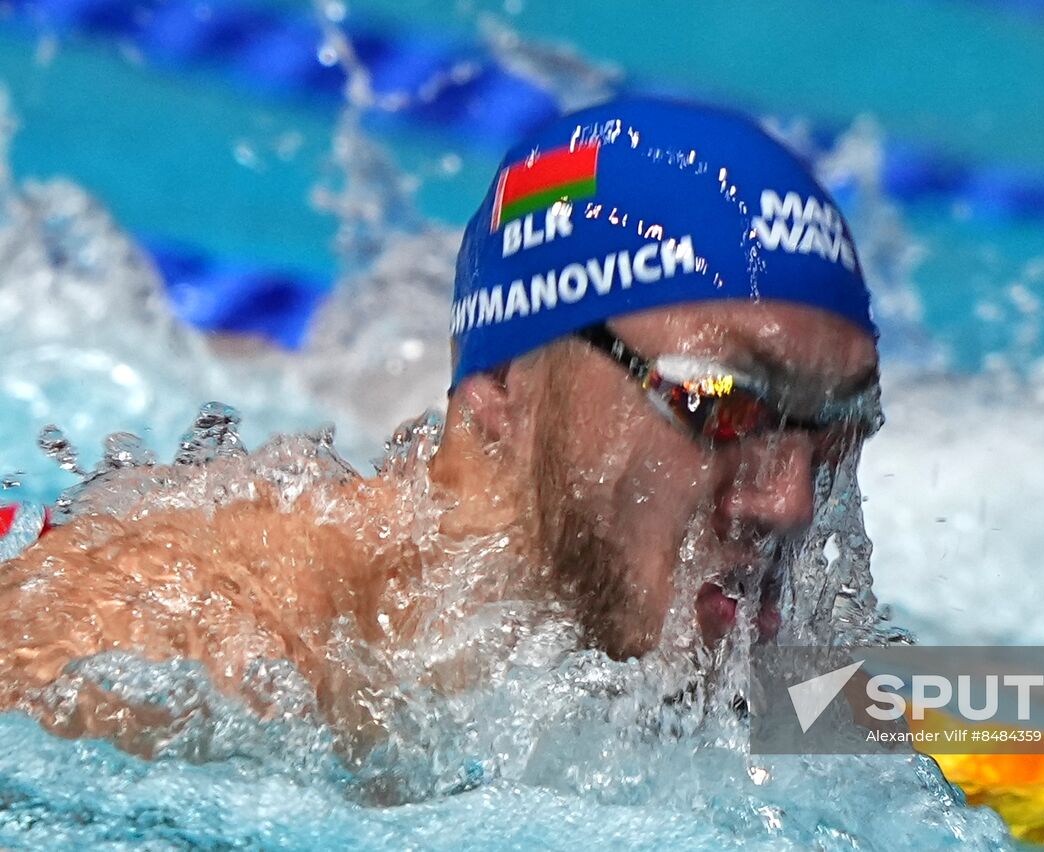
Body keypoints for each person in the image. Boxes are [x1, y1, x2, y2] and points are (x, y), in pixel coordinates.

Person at [0, 97, 882, 748]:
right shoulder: (188, 645)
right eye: (723, 407)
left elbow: (1002, 729)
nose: (792, 500)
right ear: (502, 383)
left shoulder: (738, 659)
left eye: (834, 433)